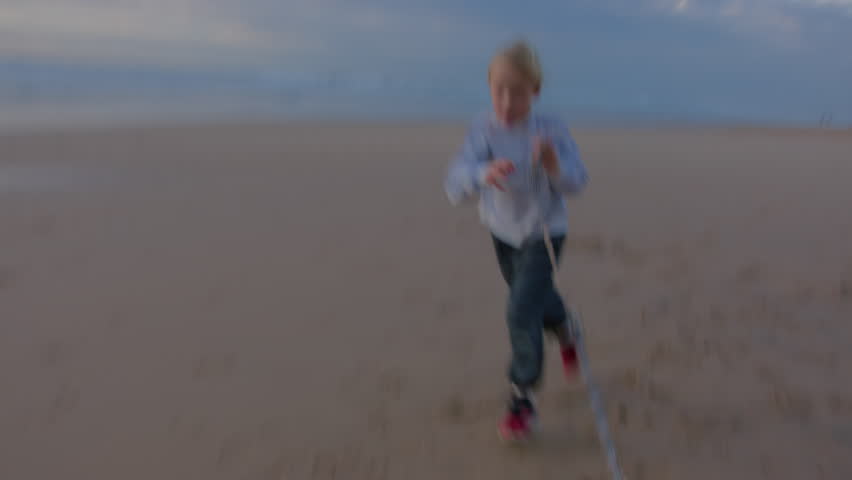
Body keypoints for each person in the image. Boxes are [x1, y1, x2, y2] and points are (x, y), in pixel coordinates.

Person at [443, 39, 589, 442]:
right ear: (489, 88)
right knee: (534, 298)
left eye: (519, 93)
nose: (508, 102)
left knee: (521, 308)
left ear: (535, 92)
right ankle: (565, 327)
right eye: (499, 91)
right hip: (503, 234)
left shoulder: (550, 129)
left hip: (545, 233)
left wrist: (554, 165)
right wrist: (482, 174)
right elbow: (454, 180)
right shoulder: (483, 129)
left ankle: (523, 398)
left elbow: (578, 181)